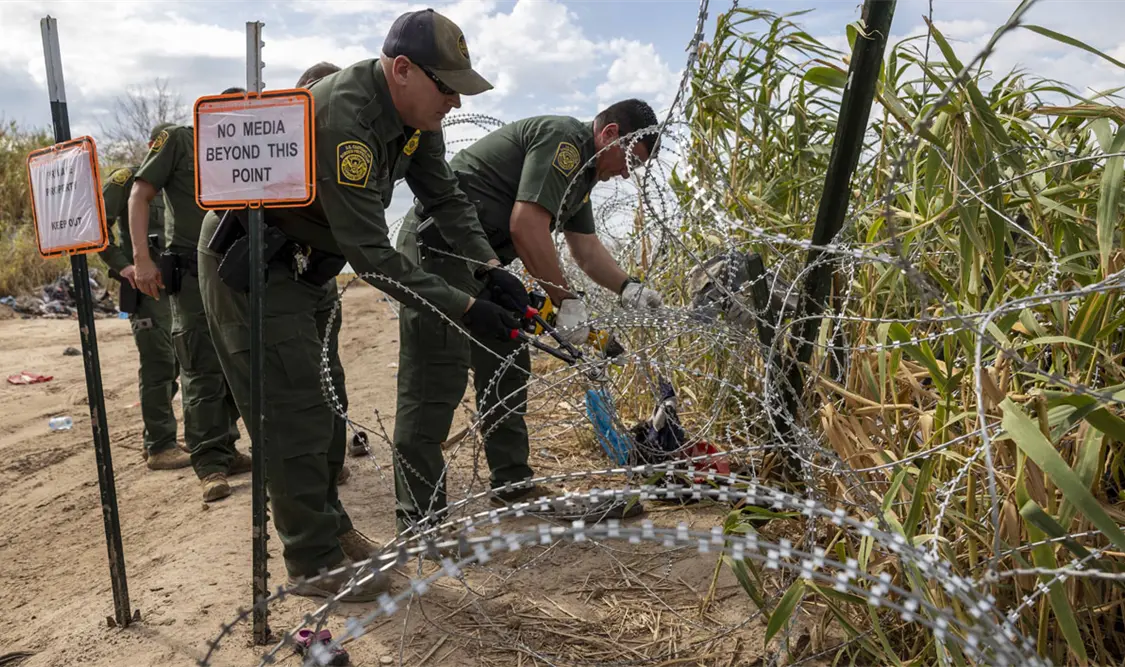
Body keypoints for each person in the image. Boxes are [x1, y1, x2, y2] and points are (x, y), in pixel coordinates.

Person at [198, 9, 526, 601]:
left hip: (304, 265)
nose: (454, 102)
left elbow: (445, 194)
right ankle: (313, 562)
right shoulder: (347, 120)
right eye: (447, 88)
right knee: (292, 412)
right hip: (252, 268)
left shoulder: (416, 116)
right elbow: (372, 256)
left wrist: (489, 268)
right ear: (402, 70)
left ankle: (332, 528)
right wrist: (466, 308)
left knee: (324, 409)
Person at [393, 100, 664, 526]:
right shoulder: (565, 144)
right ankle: (420, 522)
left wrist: (629, 287)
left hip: (485, 265)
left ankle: (512, 487)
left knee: (508, 361)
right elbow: (526, 225)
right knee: (434, 381)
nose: (627, 173)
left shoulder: (583, 176)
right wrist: (566, 302)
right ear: (610, 134)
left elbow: (586, 249)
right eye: (630, 160)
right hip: (438, 252)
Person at [198, 64, 354, 499]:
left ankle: (326, 470)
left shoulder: (341, 139)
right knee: (272, 377)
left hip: (311, 266)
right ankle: (293, 486)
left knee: (326, 371)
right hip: (252, 256)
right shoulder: (279, 135)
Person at [128, 111, 247, 502]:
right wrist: (141, 260)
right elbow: (138, 194)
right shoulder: (180, 140)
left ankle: (227, 449)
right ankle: (210, 463)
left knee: (238, 359)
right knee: (199, 363)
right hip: (193, 269)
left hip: (238, 267)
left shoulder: (251, 144)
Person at [99, 123, 189, 470]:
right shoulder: (128, 180)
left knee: (177, 363)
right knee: (158, 364)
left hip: (173, 287)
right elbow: (97, 228)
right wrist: (124, 266)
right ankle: (160, 445)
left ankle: (159, 435)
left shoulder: (172, 186)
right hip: (144, 288)